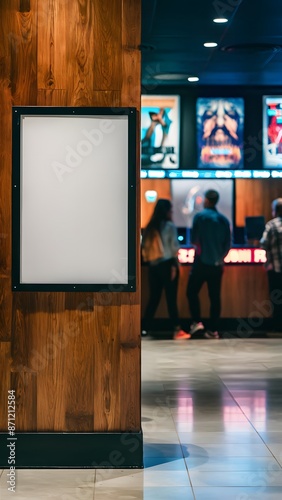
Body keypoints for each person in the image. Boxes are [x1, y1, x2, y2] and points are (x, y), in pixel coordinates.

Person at [142, 198, 190, 340]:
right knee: (171, 298)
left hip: (153, 266)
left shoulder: (150, 226)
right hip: (168, 265)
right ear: (167, 211)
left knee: (153, 298)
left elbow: (144, 246)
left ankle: (144, 328)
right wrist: (175, 266)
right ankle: (176, 329)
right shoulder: (169, 226)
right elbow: (174, 247)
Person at [186, 189, 231, 339]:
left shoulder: (199, 217)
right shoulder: (223, 220)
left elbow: (194, 240)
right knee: (215, 297)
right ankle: (213, 330)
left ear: (206, 200)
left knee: (191, 292)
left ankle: (197, 323)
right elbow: (227, 245)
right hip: (217, 265)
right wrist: (220, 259)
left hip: (201, 262)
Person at [260, 198, 282, 332]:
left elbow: (263, 243)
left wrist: (267, 263)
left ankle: (278, 327)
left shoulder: (271, 225)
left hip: (276, 269)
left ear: (275, 211)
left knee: (276, 299)